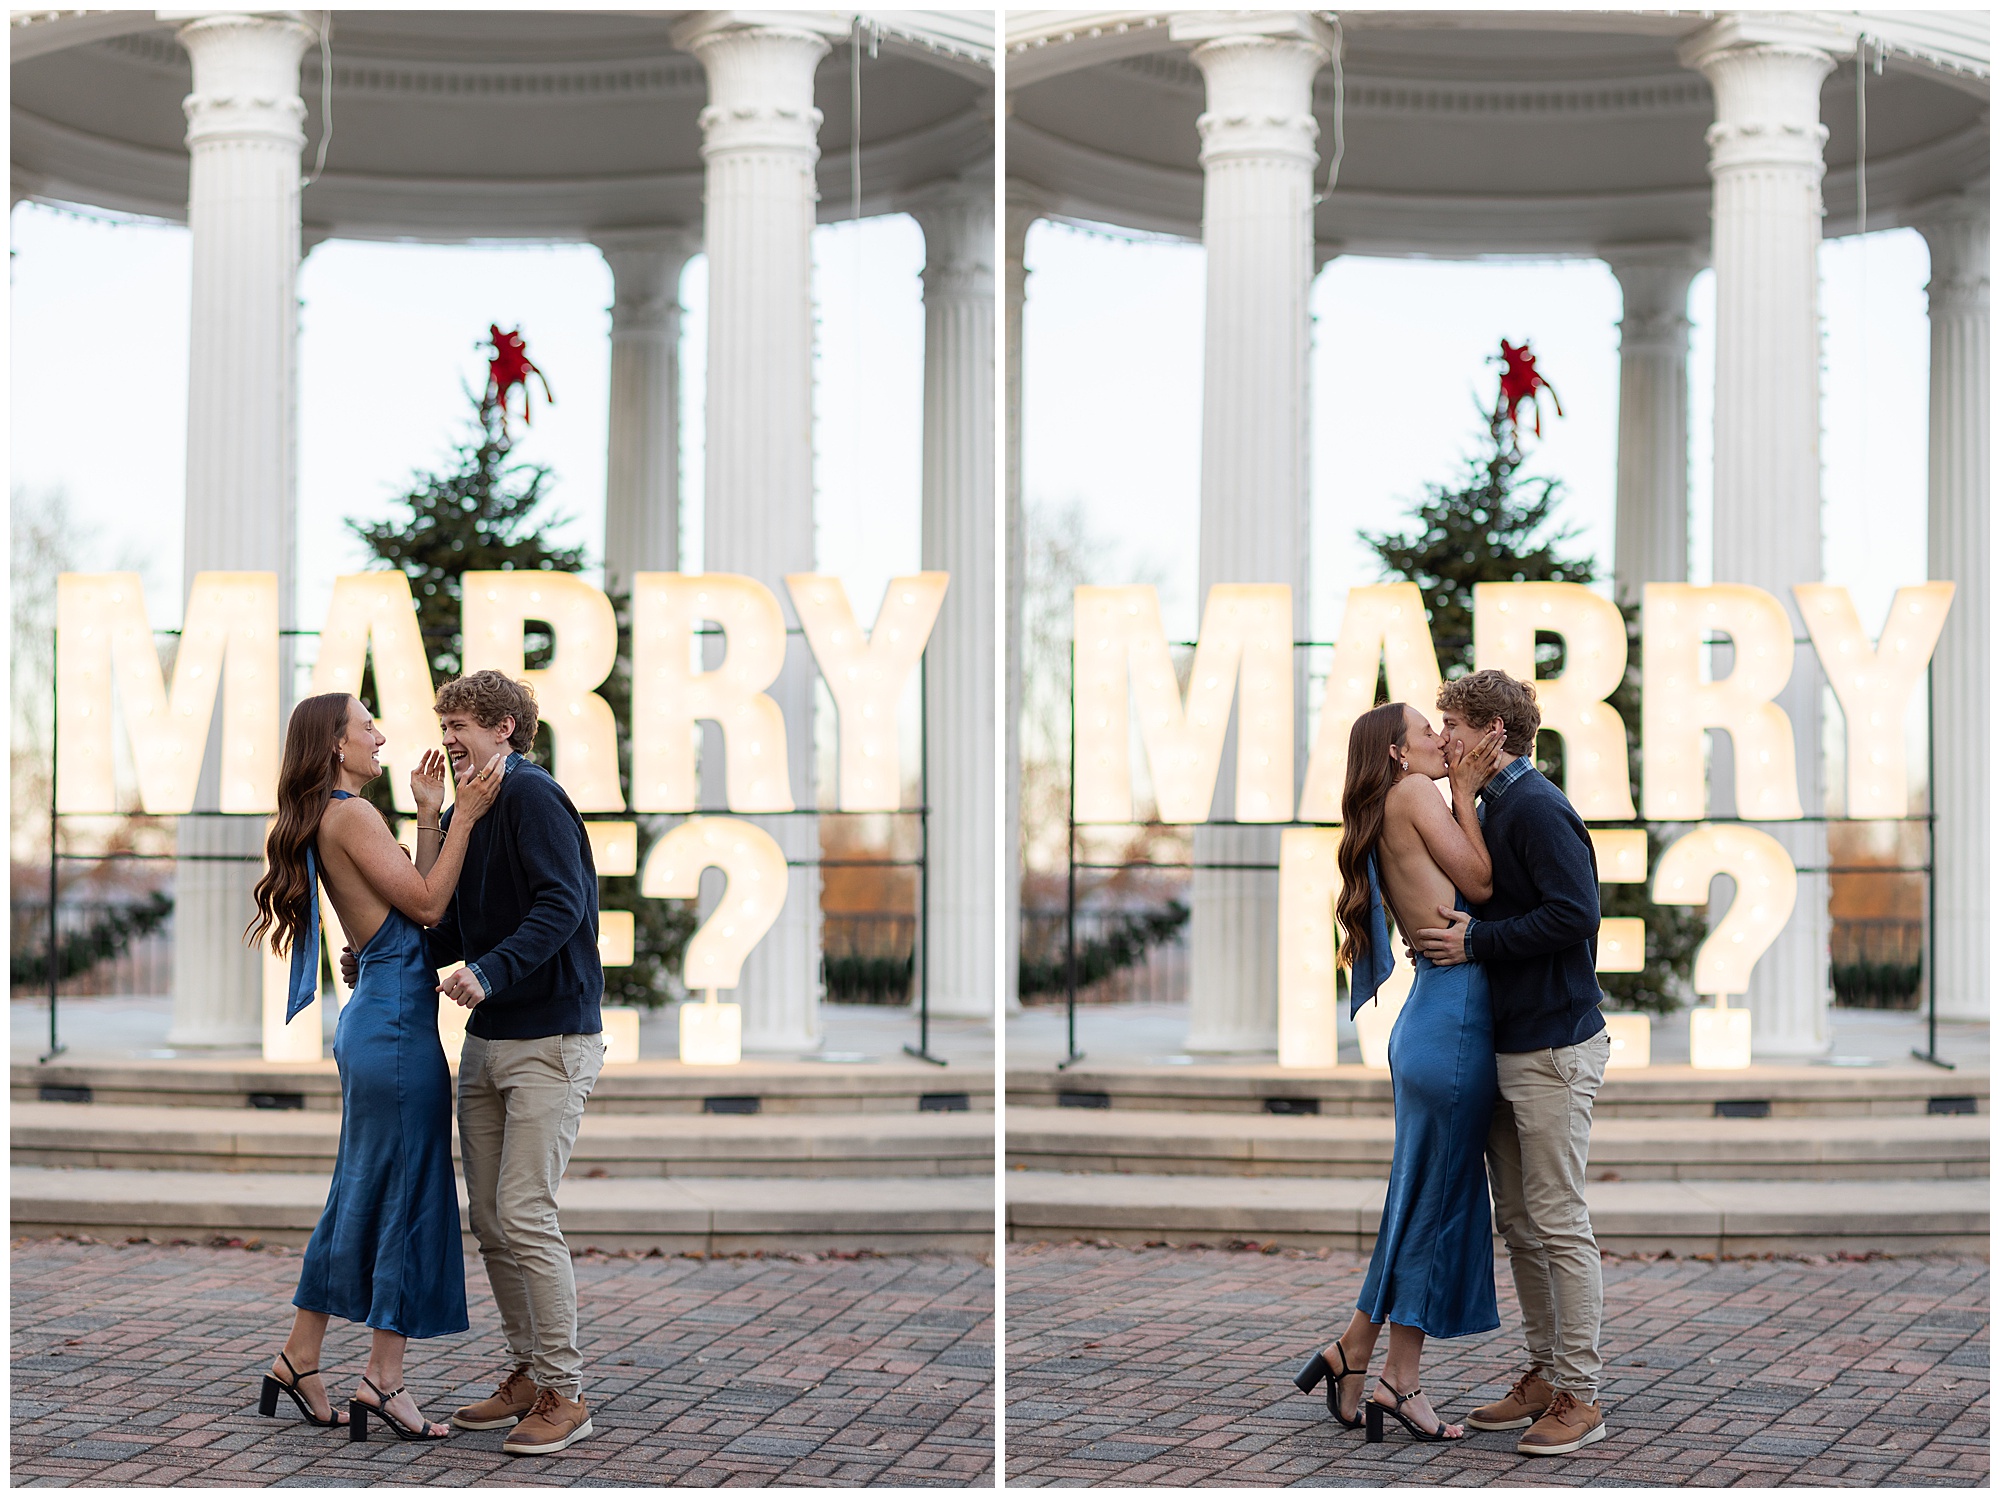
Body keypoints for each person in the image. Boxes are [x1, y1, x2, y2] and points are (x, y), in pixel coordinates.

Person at [345, 669, 606, 1457]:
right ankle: (527, 1377)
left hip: (552, 1040)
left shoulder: (531, 796)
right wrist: (382, 955)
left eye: (460, 724)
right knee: (492, 1219)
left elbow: (563, 904)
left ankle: (566, 1392)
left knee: (525, 1212)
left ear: (505, 729)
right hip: (490, 1041)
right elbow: (450, 917)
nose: (448, 738)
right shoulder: (473, 805)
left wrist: (489, 973)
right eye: (444, 722)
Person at [247, 692, 506, 1442]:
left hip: (382, 1024)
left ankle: (300, 1358)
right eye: (368, 728)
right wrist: (466, 816)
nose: (382, 736)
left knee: (362, 1189)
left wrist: (430, 813)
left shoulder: (340, 815)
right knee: (412, 1196)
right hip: (394, 1032)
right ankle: (382, 1381)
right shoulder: (351, 815)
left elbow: (402, 912)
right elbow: (428, 908)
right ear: (335, 744)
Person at [1413, 669, 1611, 1457]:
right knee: (1524, 1225)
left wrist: (1476, 941)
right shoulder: (1493, 807)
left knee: (1559, 1222)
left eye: (1453, 724)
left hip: (1556, 1048)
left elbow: (1575, 913)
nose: (1443, 738)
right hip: (1507, 1043)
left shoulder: (1534, 806)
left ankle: (1581, 1394)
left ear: (1495, 731)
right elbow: (1500, 899)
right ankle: (1541, 1375)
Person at [1295, 701, 1503, 1444]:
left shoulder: (1393, 800)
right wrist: (1468, 798)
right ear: (1396, 753)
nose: (1441, 739)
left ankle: (1355, 1350)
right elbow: (1478, 883)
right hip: (1452, 1024)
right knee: (1436, 1208)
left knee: (1421, 1202)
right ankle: (1396, 1381)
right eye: (1426, 731)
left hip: (1434, 1021)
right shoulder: (1418, 794)